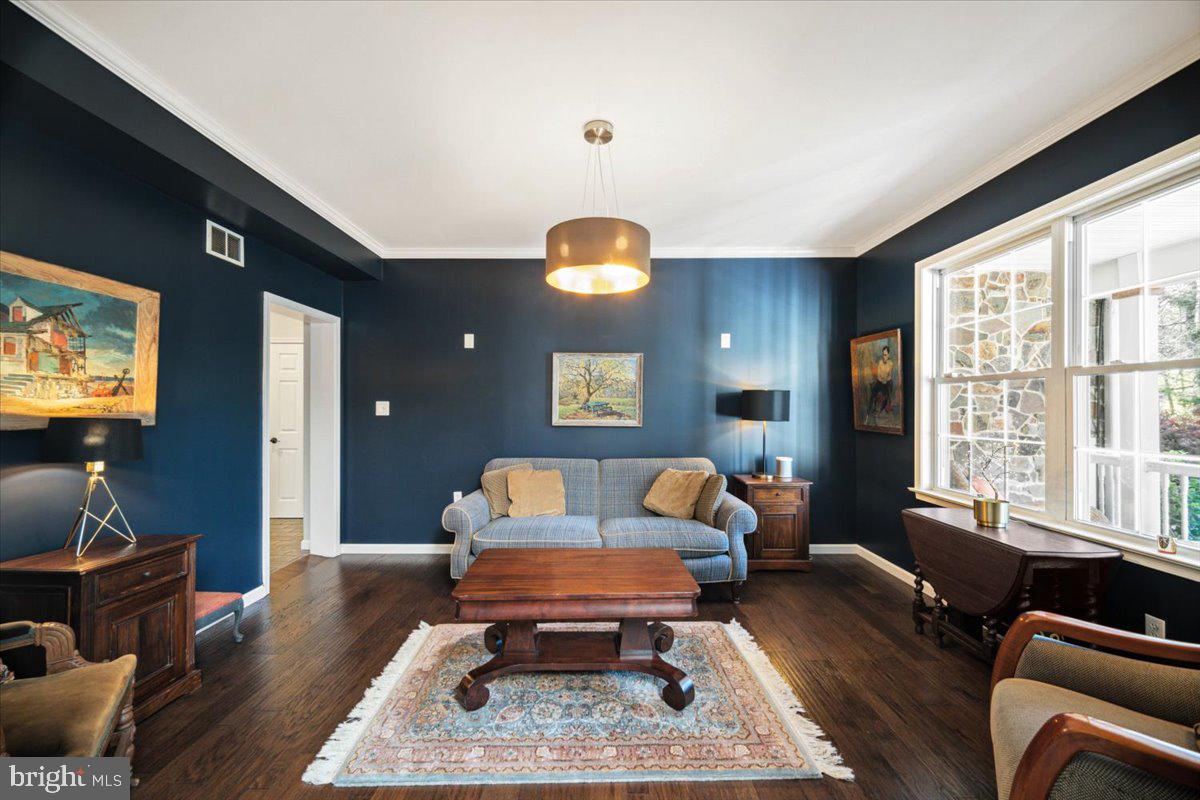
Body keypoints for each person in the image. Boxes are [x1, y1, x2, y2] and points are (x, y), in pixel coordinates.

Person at [869, 345, 894, 416]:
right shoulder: (880, 362)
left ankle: (881, 411)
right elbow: (878, 374)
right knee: (873, 391)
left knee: (885, 395)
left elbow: (889, 375)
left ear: (888, 354)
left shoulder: (890, 363)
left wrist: (885, 380)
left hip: (887, 382)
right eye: (883, 354)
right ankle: (870, 410)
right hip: (880, 381)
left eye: (885, 355)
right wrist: (881, 379)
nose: (884, 356)